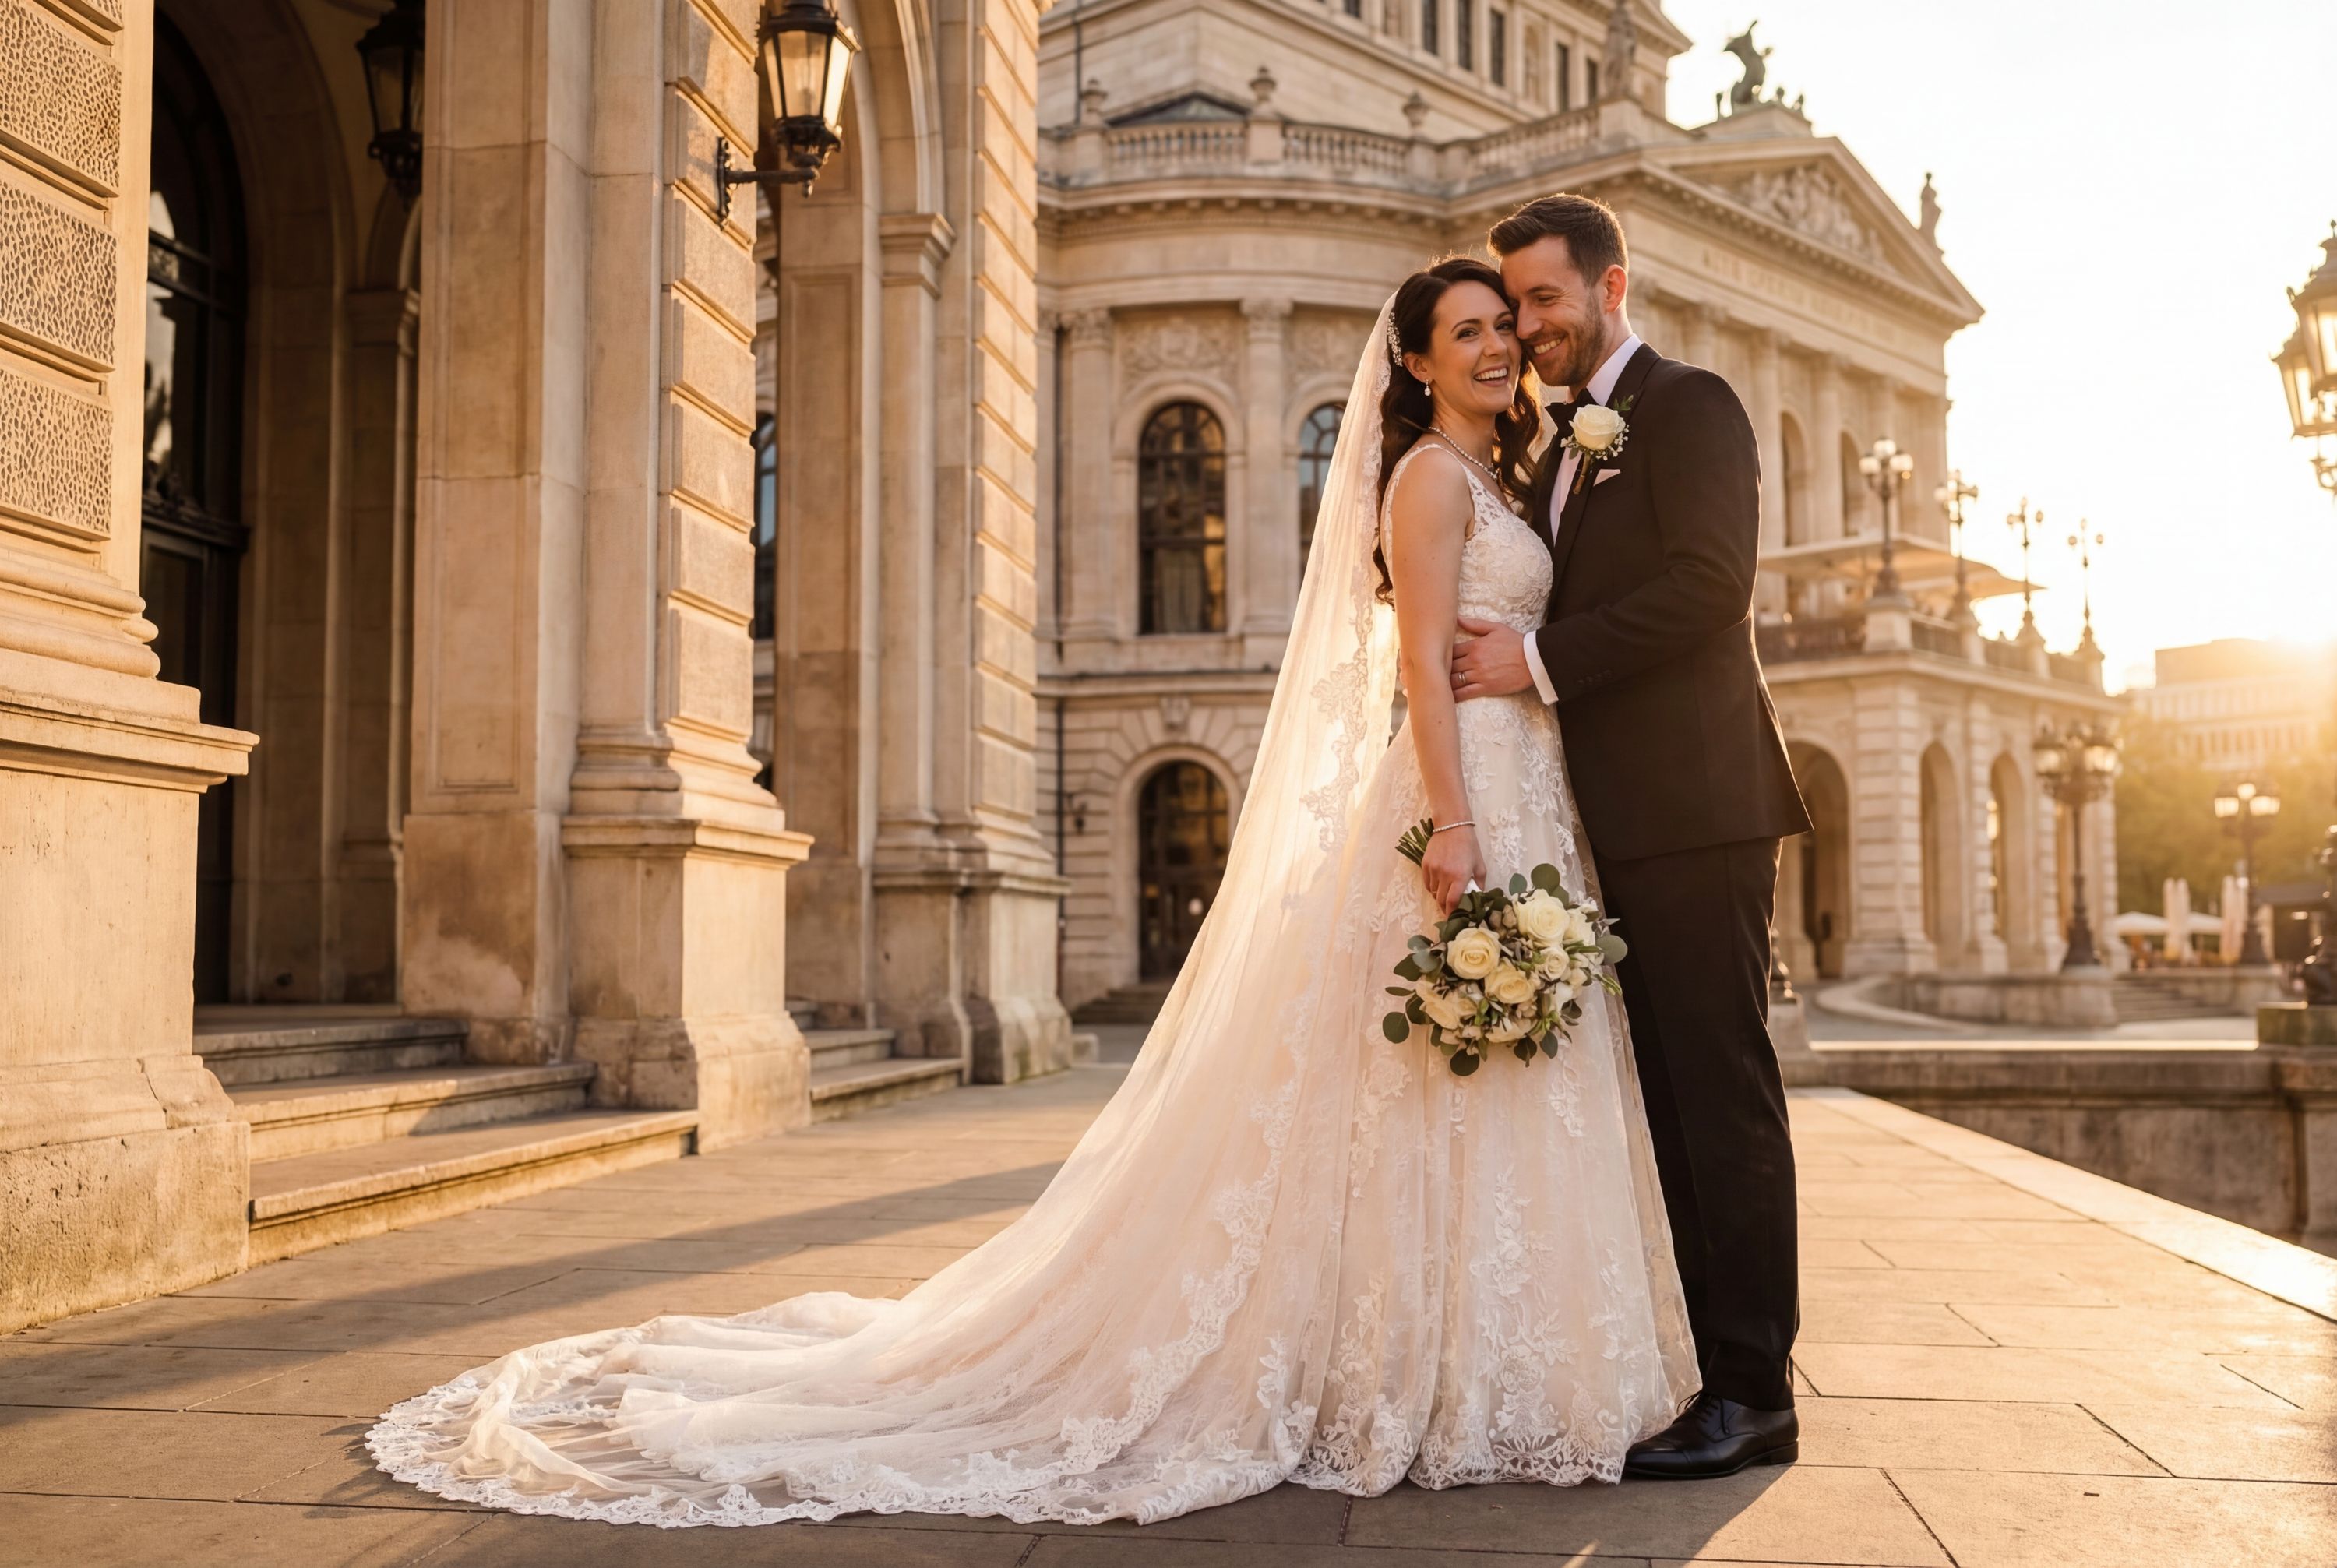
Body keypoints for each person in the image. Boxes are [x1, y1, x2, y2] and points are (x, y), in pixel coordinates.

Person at [366, 256, 1698, 1527]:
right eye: (1461, 329)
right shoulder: (1425, 478)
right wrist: (1455, 821)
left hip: (1530, 792)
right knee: (1425, 1082)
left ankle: (1496, 1356)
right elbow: (1415, 666)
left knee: (1485, 1086)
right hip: (1464, 800)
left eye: (1498, 325)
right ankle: (1423, 1369)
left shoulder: (1513, 466)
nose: (1492, 343)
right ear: (1412, 359)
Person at [1450, 193, 1812, 1479]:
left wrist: (1535, 660)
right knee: (1669, 1099)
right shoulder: (1556, 448)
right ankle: (1721, 1372)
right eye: (1512, 307)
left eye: (1545, 300)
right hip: (1622, 822)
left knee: (1721, 1095)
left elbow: (1714, 587)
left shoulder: (1691, 403)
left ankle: (1757, 1388)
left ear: (1611, 287)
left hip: (1700, 807)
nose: (1529, 327)